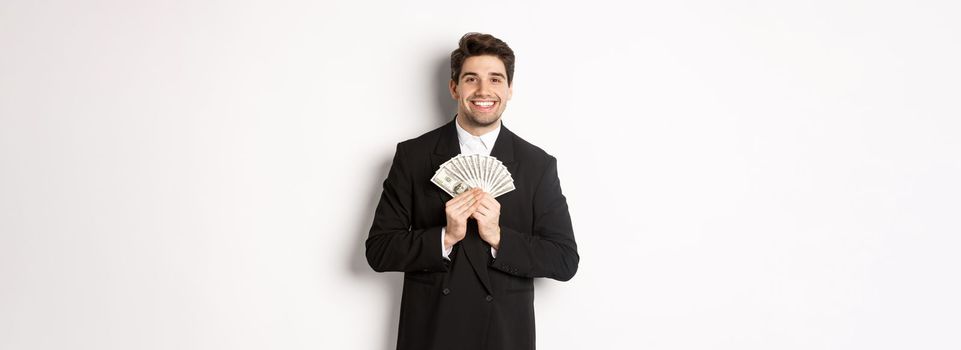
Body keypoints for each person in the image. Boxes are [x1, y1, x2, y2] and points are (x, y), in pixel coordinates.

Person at [366, 32, 579, 350]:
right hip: (431, 332)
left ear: (509, 90)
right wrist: (445, 236)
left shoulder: (537, 165)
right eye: (471, 79)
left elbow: (564, 261)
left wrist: (499, 236)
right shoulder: (413, 156)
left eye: (495, 79)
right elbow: (379, 251)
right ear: (454, 87)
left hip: (505, 336)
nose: (484, 91)